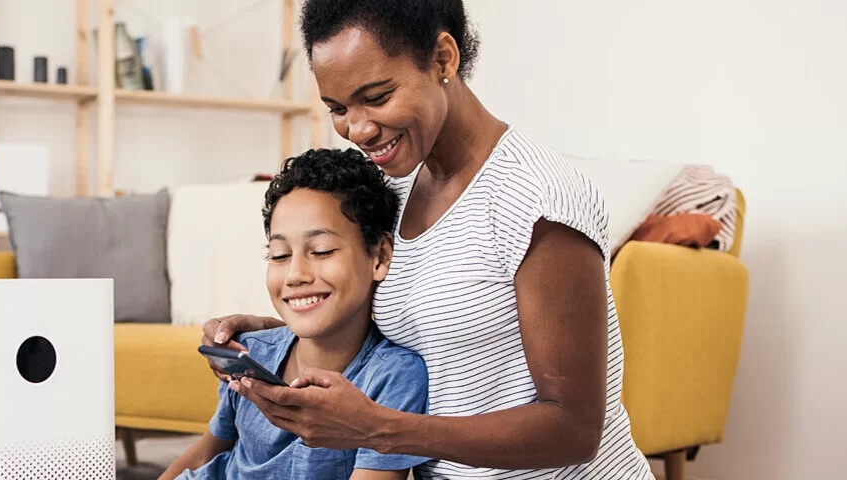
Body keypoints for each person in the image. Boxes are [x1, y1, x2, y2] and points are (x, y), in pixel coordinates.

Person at [202, 0, 654, 478]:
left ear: (443, 59)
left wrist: (378, 430)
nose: (358, 129)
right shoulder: (396, 185)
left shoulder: (538, 199)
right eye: (338, 108)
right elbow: (423, 335)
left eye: (376, 97)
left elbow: (574, 429)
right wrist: (268, 336)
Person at [160, 149, 431, 480]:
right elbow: (205, 453)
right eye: (279, 255)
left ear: (379, 256)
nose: (295, 275)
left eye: (322, 251)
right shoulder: (251, 352)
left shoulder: (394, 377)